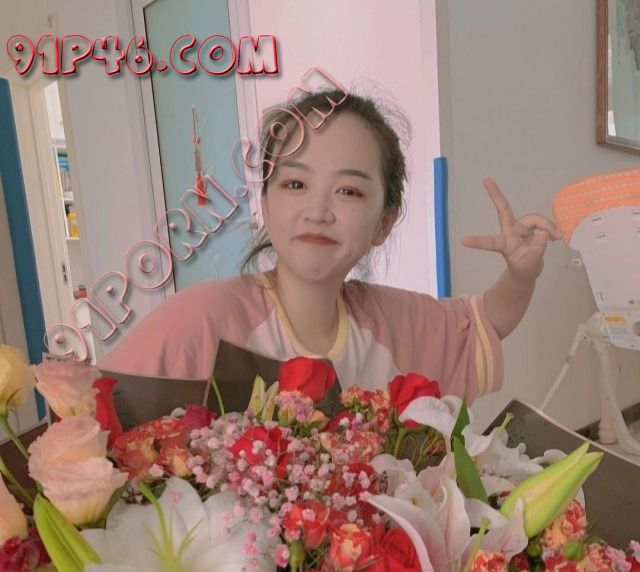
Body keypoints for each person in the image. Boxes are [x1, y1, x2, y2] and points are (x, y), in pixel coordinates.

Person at [99, 89, 561, 404]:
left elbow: (483, 323)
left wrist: (521, 275)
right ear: (265, 205)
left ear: (384, 223)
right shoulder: (201, 322)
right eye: (295, 183)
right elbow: (89, 419)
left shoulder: (390, 324)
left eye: (348, 191)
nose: (317, 211)